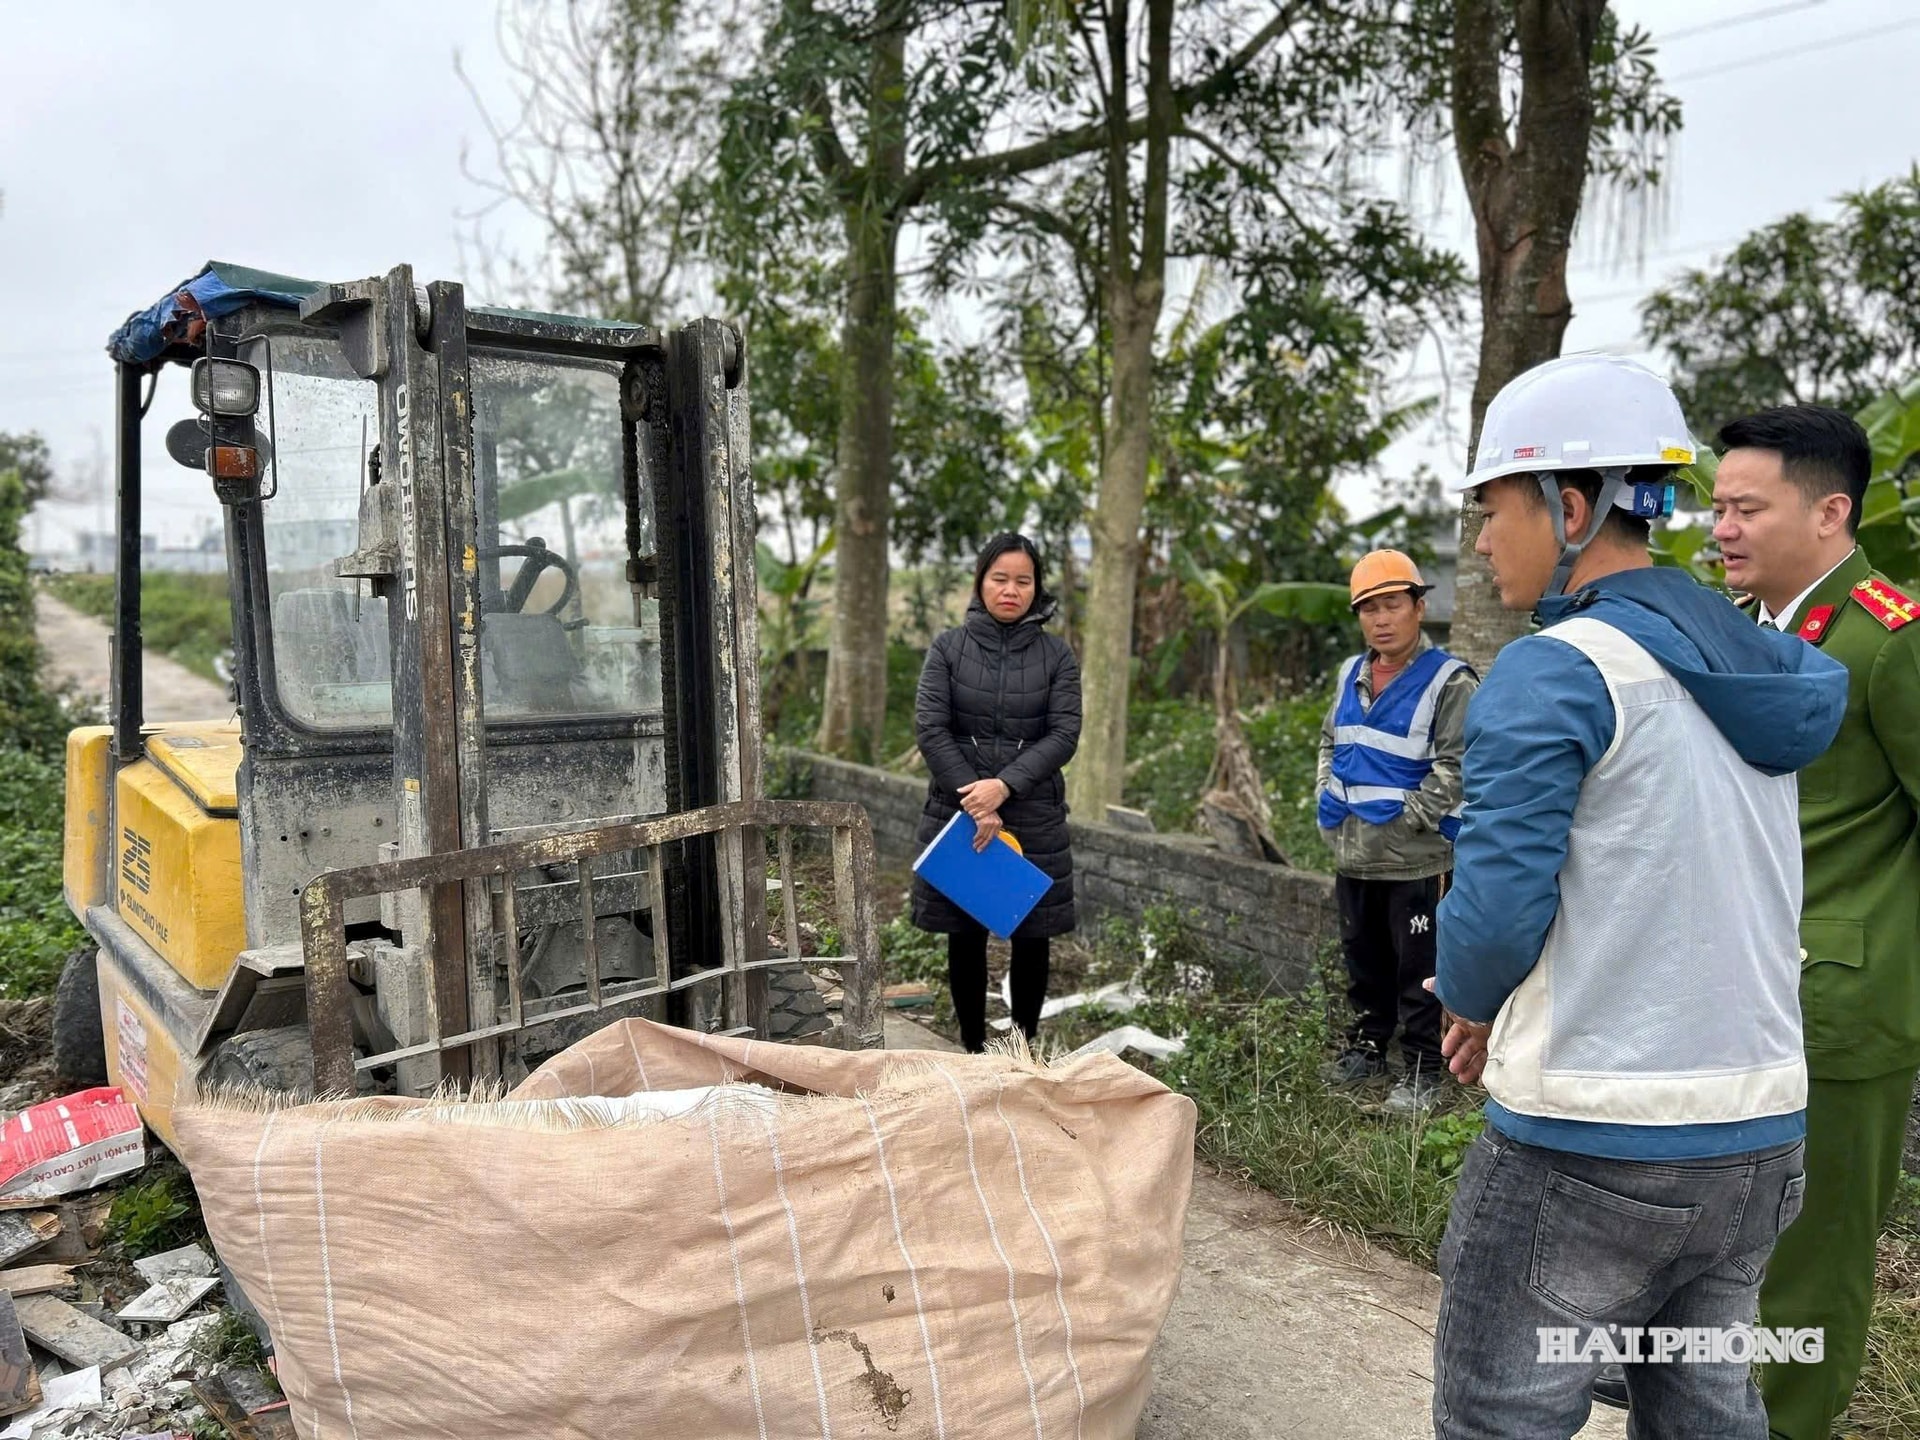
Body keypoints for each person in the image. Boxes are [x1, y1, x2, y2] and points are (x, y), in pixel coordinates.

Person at [1427, 354, 1848, 1439]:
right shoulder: (1760, 656)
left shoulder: (1558, 667)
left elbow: (1495, 911)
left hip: (1593, 1138)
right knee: (1705, 1410)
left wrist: (1471, 997)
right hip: (1756, 1134)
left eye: (1492, 510)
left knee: (1499, 1417)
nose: (1480, 542)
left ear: (1569, 506)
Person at [1704, 405, 1920, 1440]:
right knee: (1719, 1249)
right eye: (1716, 506)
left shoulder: (1890, 640)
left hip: (1840, 1009)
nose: (1722, 527)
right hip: (1732, 995)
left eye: (1747, 507)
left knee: (1814, 1263)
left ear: (1831, 512)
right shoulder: (1738, 637)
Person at [1316, 549, 1477, 1113]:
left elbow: (1458, 767)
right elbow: (1331, 742)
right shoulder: (1349, 674)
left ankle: (1423, 1071)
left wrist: (1407, 818)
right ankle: (1366, 1049)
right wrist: (1324, 798)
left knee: (1420, 969)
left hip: (1416, 859)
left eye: (1392, 605)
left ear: (1418, 607)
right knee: (1364, 960)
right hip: (1353, 852)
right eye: (1369, 609)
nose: (1381, 619)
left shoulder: (1449, 681)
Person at [911, 533, 1082, 1052]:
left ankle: (1023, 1051)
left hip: (1034, 813)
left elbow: (1063, 733)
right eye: (1000, 578)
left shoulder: (1056, 656)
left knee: (1033, 937)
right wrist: (976, 799)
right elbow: (932, 730)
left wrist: (1003, 787)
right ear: (981, 582)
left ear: (1036, 588)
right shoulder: (947, 649)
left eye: (1023, 581)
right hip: (960, 811)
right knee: (966, 935)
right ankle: (972, 1049)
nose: (1011, 590)